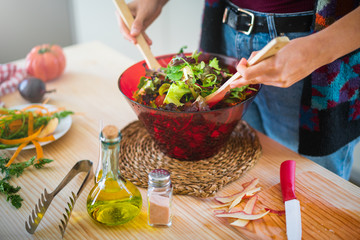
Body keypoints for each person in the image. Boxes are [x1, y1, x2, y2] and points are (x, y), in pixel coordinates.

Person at [117, 0, 360, 180]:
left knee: (310, 192)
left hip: (312, 51)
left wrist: (319, 49)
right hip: (225, 32)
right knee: (247, 178)